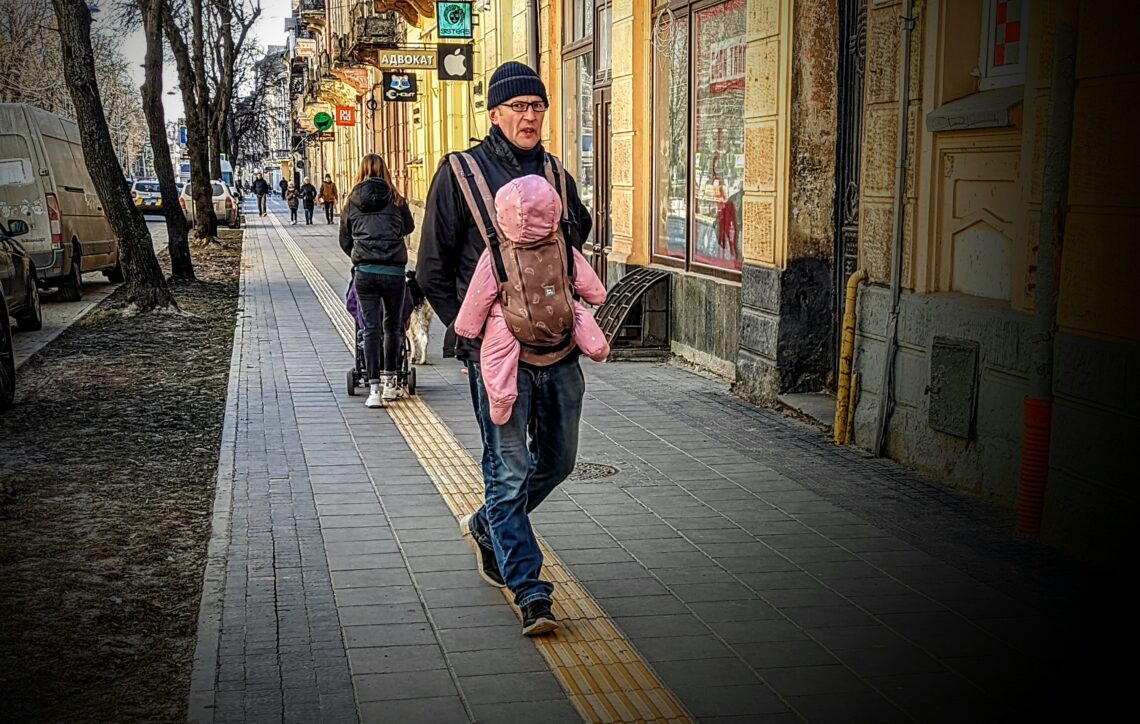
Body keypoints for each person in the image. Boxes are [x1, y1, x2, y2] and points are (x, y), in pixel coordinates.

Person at [417, 61, 592, 636]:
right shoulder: (460, 171)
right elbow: (432, 269)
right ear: (493, 113)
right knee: (510, 469)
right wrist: (470, 335)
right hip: (499, 356)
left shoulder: (554, 171)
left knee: (559, 461)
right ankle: (530, 589)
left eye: (537, 106)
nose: (530, 116)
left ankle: (489, 525)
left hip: (560, 348)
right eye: (518, 107)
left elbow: (577, 235)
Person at [453, 174, 609, 425]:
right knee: (579, 313)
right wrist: (598, 295)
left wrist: (466, 328)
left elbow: (478, 295)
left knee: (497, 353)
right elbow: (589, 284)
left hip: (513, 322)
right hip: (560, 313)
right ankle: (597, 347)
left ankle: (502, 396)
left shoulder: (497, 253)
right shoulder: (561, 245)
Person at [339, 154, 414, 408]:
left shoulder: (351, 201)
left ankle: (373, 390)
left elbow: (344, 239)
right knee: (392, 326)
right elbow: (409, 227)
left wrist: (360, 255)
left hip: (365, 272)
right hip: (393, 271)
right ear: (386, 171)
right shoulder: (397, 199)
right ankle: (391, 383)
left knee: (370, 328)